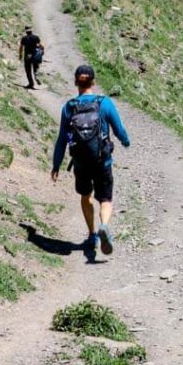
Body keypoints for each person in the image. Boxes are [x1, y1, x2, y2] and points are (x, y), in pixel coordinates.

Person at [51, 64, 129, 255]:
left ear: (76, 82)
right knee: (105, 199)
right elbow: (119, 129)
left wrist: (56, 165)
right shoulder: (104, 103)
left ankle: (92, 235)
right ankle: (104, 225)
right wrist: (125, 141)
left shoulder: (69, 107)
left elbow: (62, 139)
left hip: (80, 163)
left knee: (86, 196)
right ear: (93, 82)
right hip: (102, 161)